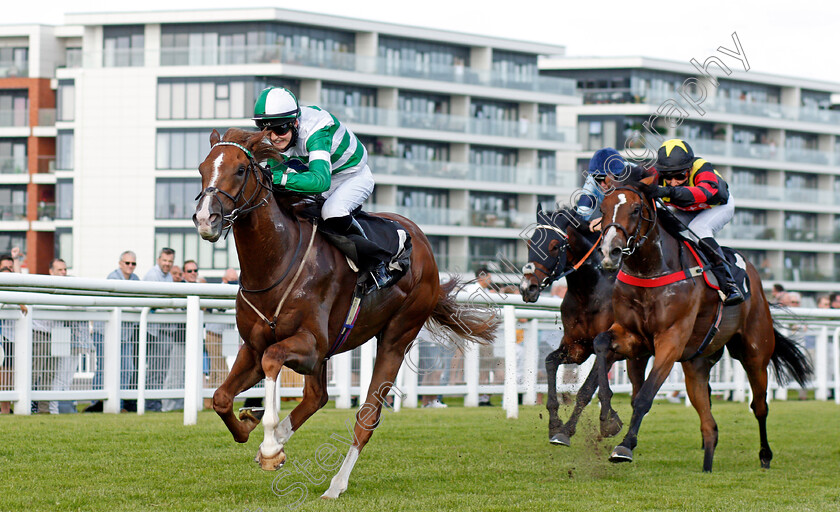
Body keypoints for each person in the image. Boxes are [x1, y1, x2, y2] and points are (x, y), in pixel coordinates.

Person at [253, 86, 395, 291]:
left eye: (280, 129)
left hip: (352, 176)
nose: (274, 137)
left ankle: (377, 263)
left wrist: (277, 177)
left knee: (332, 212)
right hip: (317, 173)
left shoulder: (317, 130)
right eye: (267, 130)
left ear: (295, 122)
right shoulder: (283, 133)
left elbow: (320, 181)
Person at [651, 139, 744, 306]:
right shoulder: (655, 173)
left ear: (690, 169)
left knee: (699, 228)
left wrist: (666, 191)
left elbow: (705, 192)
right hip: (687, 209)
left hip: (716, 206)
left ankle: (729, 284)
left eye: (679, 176)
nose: (673, 181)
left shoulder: (701, 167)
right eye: (668, 177)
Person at [88, 251, 141, 412]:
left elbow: (137, 302)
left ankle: (120, 403)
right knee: (104, 367)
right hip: (104, 332)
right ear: (120, 264)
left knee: (127, 368)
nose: (130, 266)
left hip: (125, 334)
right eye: (127, 263)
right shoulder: (113, 277)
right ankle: (96, 403)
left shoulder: (136, 279)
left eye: (133, 263)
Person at [143, 248, 176, 412]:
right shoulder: (152, 275)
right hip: (154, 331)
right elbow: (158, 301)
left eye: (170, 261)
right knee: (155, 369)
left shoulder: (168, 276)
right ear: (158, 260)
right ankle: (151, 405)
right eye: (165, 261)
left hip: (164, 330)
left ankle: (154, 403)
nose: (167, 264)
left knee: (160, 369)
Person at [204, 268, 238, 408]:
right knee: (222, 370)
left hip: (229, 334)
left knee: (215, 370)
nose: (234, 283)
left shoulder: (237, 289)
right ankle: (223, 400)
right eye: (231, 280)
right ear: (224, 279)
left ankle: (208, 402)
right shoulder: (217, 290)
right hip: (214, 334)